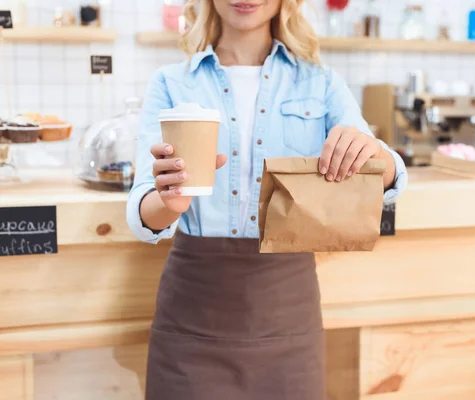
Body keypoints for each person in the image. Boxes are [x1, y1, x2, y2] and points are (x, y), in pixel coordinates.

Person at [127, 0, 407, 398]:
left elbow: (387, 175)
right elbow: (143, 206)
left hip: (288, 314)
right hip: (192, 313)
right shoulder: (170, 83)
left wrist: (376, 155)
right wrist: (166, 203)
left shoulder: (321, 83)